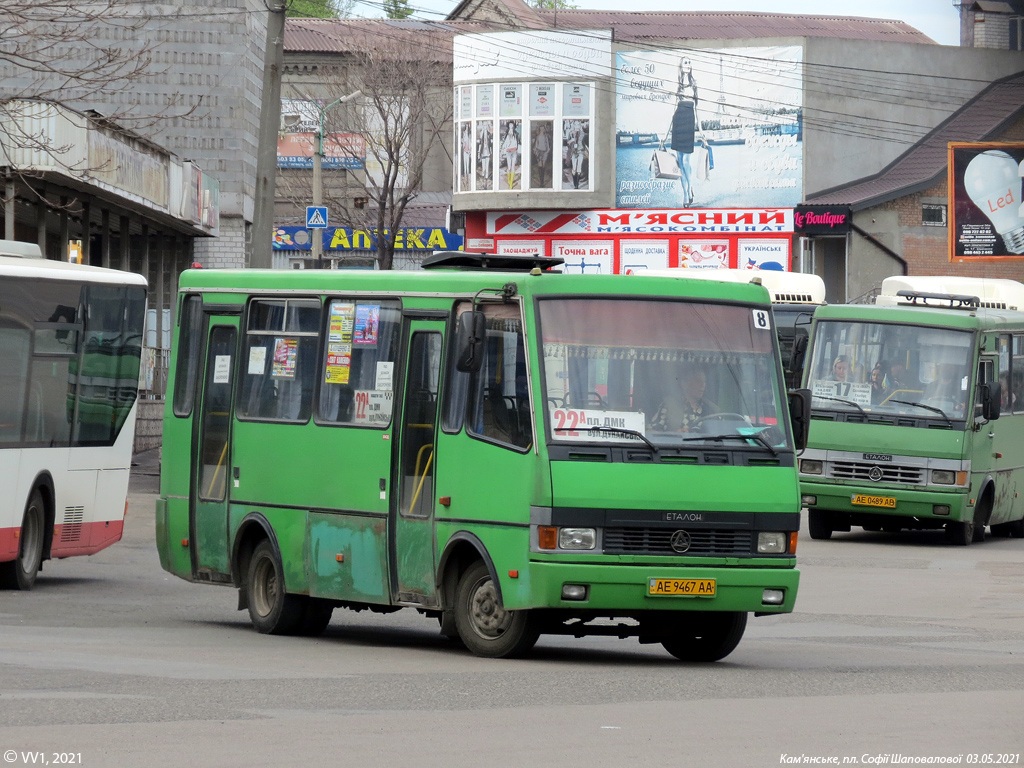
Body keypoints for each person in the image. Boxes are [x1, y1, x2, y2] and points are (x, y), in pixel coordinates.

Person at [663, 58, 705, 208]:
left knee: (686, 161)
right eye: (684, 62)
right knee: (681, 163)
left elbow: (697, 110)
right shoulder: (677, 85)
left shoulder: (694, 85)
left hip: (688, 123)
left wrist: (701, 131)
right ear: (680, 66)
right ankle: (686, 194)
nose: (687, 65)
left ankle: (689, 188)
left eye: (689, 62)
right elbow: (672, 109)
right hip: (678, 122)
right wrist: (666, 134)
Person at [651, 368, 718, 432]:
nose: (703, 385)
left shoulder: (712, 409)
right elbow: (650, 431)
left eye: (704, 381)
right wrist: (674, 435)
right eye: (698, 381)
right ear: (684, 384)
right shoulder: (669, 406)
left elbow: (722, 432)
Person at [501, 122, 519, 190]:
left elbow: (517, 141)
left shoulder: (515, 133)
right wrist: (503, 148)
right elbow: (505, 142)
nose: (511, 126)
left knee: (513, 167)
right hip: (508, 151)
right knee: (509, 167)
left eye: (512, 125)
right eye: (510, 125)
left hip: (514, 150)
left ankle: (511, 183)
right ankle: (509, 179)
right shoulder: (507, 134)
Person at [532, 123, 551, 187]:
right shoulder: (538, 137)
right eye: (541, 129)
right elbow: (536, 145)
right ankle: (541, 181)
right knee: (540, 166)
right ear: (540, 129)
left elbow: (547, 145)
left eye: (543, 129)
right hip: (539, 152)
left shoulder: (546, 137)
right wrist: (535, 150)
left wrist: (547, 151)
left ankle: (542, 180)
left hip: (545, 152)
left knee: (543, 166)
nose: (542, 130)